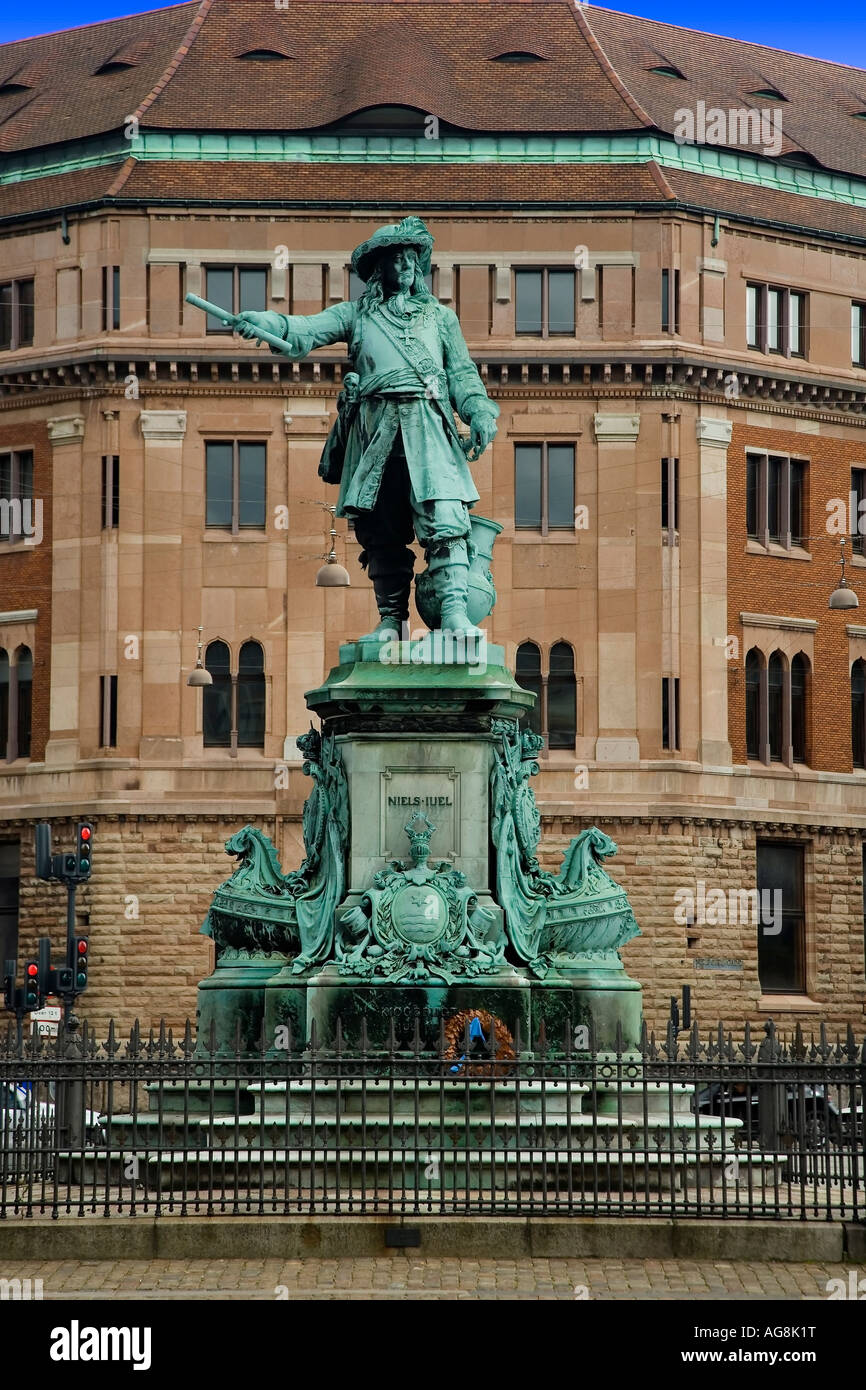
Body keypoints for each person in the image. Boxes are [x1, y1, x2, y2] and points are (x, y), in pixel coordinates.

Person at [235, 217, 499, 639]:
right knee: (381, 528)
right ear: (380, 269)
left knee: (444, 516)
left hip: (427, 427)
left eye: (413, 257)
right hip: (375, 430)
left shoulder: (439, 318)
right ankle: (391, 621)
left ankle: (453, 613)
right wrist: (267, 322)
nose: (408, 265)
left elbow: (463, 375)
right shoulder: (357, 314)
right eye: (398, 258)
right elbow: (304, 329)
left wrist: (480, 411)